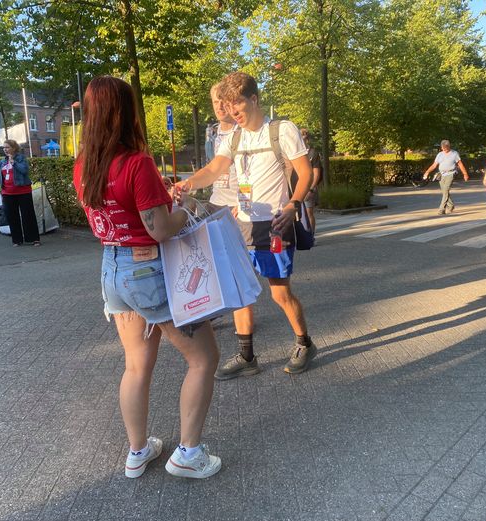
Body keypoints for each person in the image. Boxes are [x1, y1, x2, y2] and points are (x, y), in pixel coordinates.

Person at [73, 76, 221, 480]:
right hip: (149, 271)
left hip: (112, 269)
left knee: (136, 366)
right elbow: (159, 228)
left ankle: (137, 452)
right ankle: (188, 454)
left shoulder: (84, 165)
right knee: (204, 358)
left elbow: (113, 217)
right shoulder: (137, 163)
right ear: (126, 112)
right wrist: (189, 207)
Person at [176, 71, 317, 377]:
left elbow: (305, 173)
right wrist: (188, 184)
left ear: (254, 99)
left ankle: (305, 343)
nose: (233, 112)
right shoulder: (235, 136)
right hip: (242, 223)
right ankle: (246, 356)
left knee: (279, 293)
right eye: (228, 106)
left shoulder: (281, 130)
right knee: (240, 290)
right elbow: (215, 169)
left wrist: (293, 205)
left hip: (275, 223)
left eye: (237, 104)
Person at [0, 140, 41, 246]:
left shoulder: (21, 158)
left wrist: (14, 163)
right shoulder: (2, 161)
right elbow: (1, 176)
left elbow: (25, 171)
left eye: (7, 147)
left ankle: (33, 238)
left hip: (23, 191)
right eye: (4, 147)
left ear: (14, 148)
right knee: (12, 217)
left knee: (28, 215)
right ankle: (17, 240)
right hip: (8, 193)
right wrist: (1, 189)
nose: (5, 149)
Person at [207, 82, 238, 213]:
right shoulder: (211, 134)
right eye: (215, 102)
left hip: (237, 205)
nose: (219, 106)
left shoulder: (244, 132)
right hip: (215, 203)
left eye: (223, 101)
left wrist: (244, 204)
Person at [422, 140, 470, 214]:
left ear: (449, 146)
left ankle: (442, 209)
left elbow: (460, 164)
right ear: (441, 147)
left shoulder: (454, 153)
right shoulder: (440, 154)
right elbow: (434, 165)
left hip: (451, 173)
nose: (444, 149)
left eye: (446, 148)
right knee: (444, 191)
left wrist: (465, 174)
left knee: (446, 190)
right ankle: (451, 205)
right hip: (441, 175)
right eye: (443, 148)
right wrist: (427, 172)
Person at [300, 128, 322, 233]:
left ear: (307, 139)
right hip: (297, 187)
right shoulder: (297, 153)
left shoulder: (313, 153)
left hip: (309, 188)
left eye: (303, 138)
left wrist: (311, 189)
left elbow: (316, 173)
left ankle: (311, 236)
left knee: (309, 213)